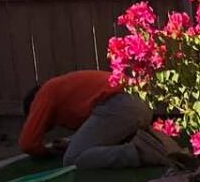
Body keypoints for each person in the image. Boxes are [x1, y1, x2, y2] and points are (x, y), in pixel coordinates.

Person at [18, 70, 161, 169]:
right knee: (81, 150)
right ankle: (155, 142)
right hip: (140, 103)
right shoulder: (65, 90)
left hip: (120, 105)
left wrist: (47, 153)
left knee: (72, 158)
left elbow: (28, 144)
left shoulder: (45, 93)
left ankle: (140, 152)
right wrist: (72, 142)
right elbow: (97, 128)